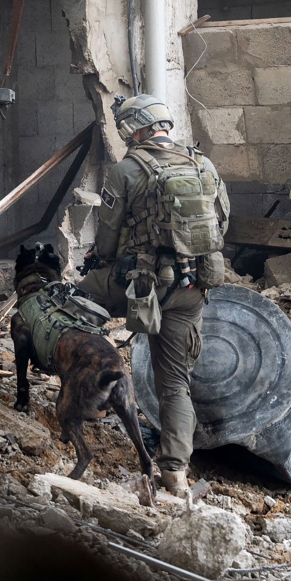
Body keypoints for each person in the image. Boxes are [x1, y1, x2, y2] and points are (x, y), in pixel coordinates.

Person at [77, 94, 230, 497]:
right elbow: (223, 221)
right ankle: (175, 475)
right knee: (175, 383)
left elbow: (107, 240)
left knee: (71, 304)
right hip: (192, 286)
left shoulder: (125, 169)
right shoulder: (203, 163)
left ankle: (83, 401)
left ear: (133, 130)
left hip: (140, 286)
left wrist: (102, 260)